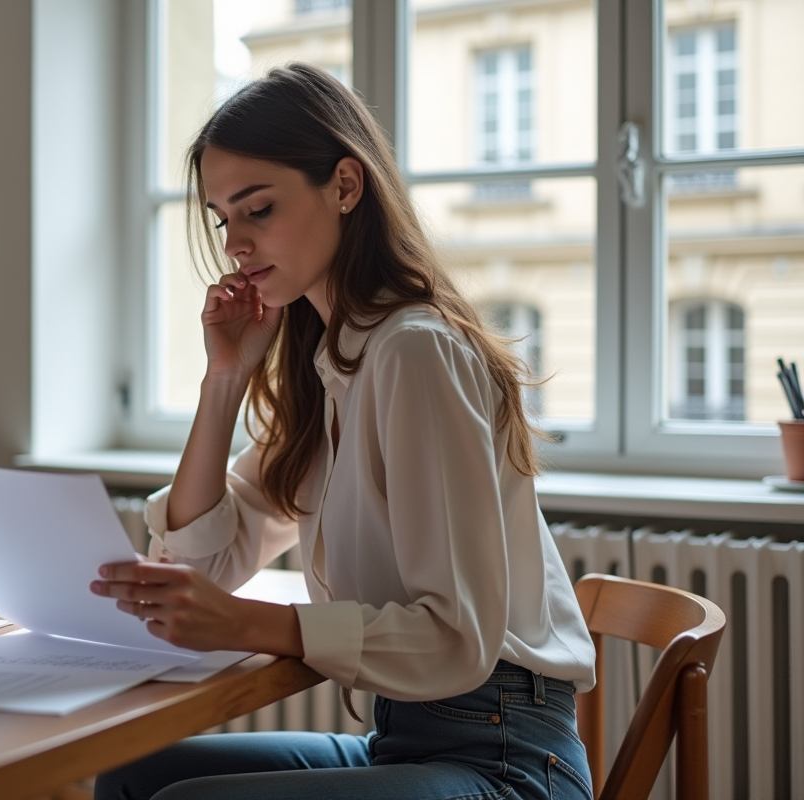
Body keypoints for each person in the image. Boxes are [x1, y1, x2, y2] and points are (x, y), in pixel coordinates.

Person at [89, 62, 596, 800]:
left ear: (346, 187)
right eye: (222, 217)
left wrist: (251, 623)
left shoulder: (414, 352)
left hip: (506, 759)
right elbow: (205, 568)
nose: (234, 243)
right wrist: (223, 381)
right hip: (404, 742)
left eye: (258, 209)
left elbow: (457, 637)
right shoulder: (330, 367)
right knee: (136, 776)